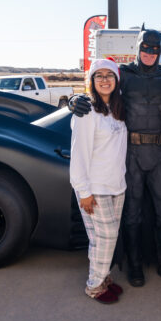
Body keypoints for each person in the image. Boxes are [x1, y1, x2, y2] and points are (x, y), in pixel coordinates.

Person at [70, 24, 161, 287]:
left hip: (160, 152)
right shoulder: (123, 76)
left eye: (155, 48)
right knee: (132, 215)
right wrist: (74, 101)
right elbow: (100, 92)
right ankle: (134, 266)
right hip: (130, 154)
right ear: (137, 46)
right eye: (145, 47)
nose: (149, 52)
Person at [70, 58, 127, 304]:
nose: (105, 80)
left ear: (116, 80)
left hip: (117, 185)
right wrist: (83, 191)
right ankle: (94, 286)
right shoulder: (86, 112)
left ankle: (102, 278)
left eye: (109, 75)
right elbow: (79, 154)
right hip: (95, 187)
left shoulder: (118, 109)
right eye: (99, 75)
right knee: (108, 237)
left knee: (99, 239)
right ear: (92, 81)